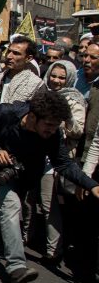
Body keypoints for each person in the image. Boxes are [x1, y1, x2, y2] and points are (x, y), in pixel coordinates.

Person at [0, 90, 99, 283]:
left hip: (19, 178)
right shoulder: (7, 113)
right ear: (33, 117)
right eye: (49, 125)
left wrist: (91, 184)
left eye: (56, 126)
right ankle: (16, 267)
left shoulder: (52, 134)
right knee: (11, 205)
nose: (52, 130)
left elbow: (64, 164)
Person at [27, 60, 86, 265]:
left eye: (62, 77)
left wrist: (64, 116)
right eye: (54, 75)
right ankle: (26, 239)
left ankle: (54, 251)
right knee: (28, 199)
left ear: (69, 78)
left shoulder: (74, 99)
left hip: (53, 160)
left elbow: (77, 131)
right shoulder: (41, 93)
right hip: (34, 154)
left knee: (48, 205)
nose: (56, 80)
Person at [0, 36, 43, 109]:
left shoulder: (36, 84)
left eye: (16, 53)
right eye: (9, 51)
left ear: (28, 58)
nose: (9, 56)